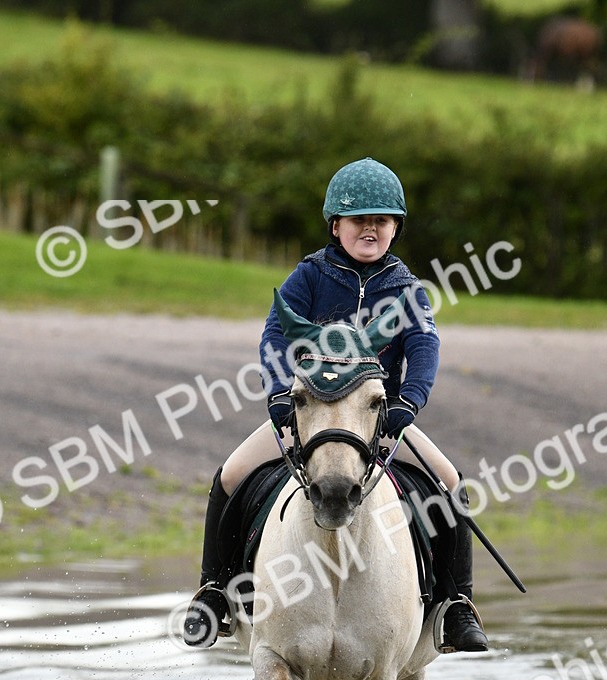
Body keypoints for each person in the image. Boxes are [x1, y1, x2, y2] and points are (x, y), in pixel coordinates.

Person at [184, 157, 488, 654]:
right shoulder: (310, 275)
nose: (370, 228)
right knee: (231, 475)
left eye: (382, 220)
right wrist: (281, 395)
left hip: (375, 416)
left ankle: (456, 605)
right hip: (309, 411)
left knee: (450, 481)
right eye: (358, 220)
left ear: (396, 228)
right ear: (335, 225)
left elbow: (424, 349)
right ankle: (215, 592)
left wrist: (408, 402)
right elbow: (276, 335)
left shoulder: (408, 289)